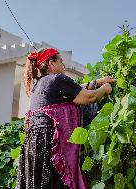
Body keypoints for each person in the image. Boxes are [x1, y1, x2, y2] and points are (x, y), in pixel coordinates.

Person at [16, 48, 115, 189]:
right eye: (61, 61)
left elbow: (74, 89)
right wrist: (104, 89)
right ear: (51, 64)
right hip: (50, 143)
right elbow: (90, 97)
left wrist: (96, 82)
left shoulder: (40, 84)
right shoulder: (57, 79)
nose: (64, 65)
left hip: (33, 143)